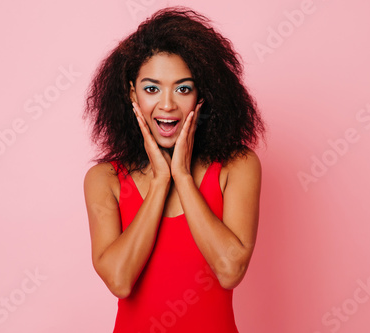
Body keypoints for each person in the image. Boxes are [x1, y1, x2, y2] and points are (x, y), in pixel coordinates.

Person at [83, 6, 265, 332]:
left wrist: (182, 177)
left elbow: (229, 270)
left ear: (202, 96)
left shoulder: (238, 167)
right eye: (152, 88)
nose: (167, 105)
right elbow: (120, 281)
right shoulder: (105, 180)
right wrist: (160, 182)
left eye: (183, 88)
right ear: (131, 93)